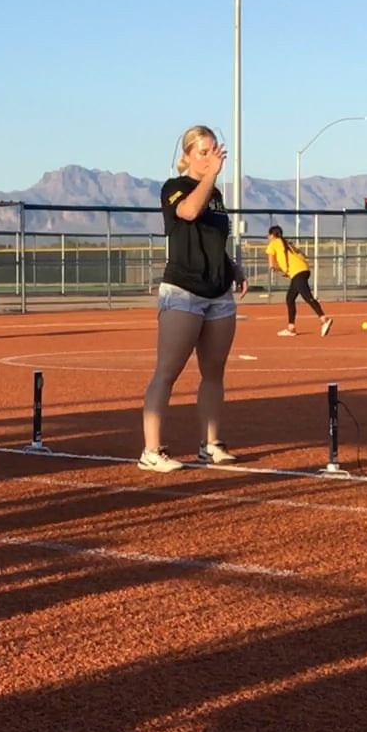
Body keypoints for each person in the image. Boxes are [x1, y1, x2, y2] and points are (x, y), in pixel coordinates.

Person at [141, 124, 247, 473]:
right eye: (203, 152)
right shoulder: (175, 188)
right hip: (184, 292)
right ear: (186, 156)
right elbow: (188, 212)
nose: (210, 157)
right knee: (167, 371)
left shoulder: (215, 194)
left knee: (214, 372)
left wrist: (231, 267)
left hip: (218, 293)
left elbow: (212, 240)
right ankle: (152, 451)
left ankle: (210, 444)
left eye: (214, 151)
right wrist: (210, 175)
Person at [264, 226, 332, 338]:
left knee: (307, 296)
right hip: (303, 269)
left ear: (272, 235)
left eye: (269, 235)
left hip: (297, 272)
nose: (268, 237)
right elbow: (302, 254)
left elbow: (272, 265)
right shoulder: (286, 242)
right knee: (290, 299)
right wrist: (288, 270)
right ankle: (291, 328)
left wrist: (283, 270)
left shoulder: (273, 244)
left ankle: (324, 319)